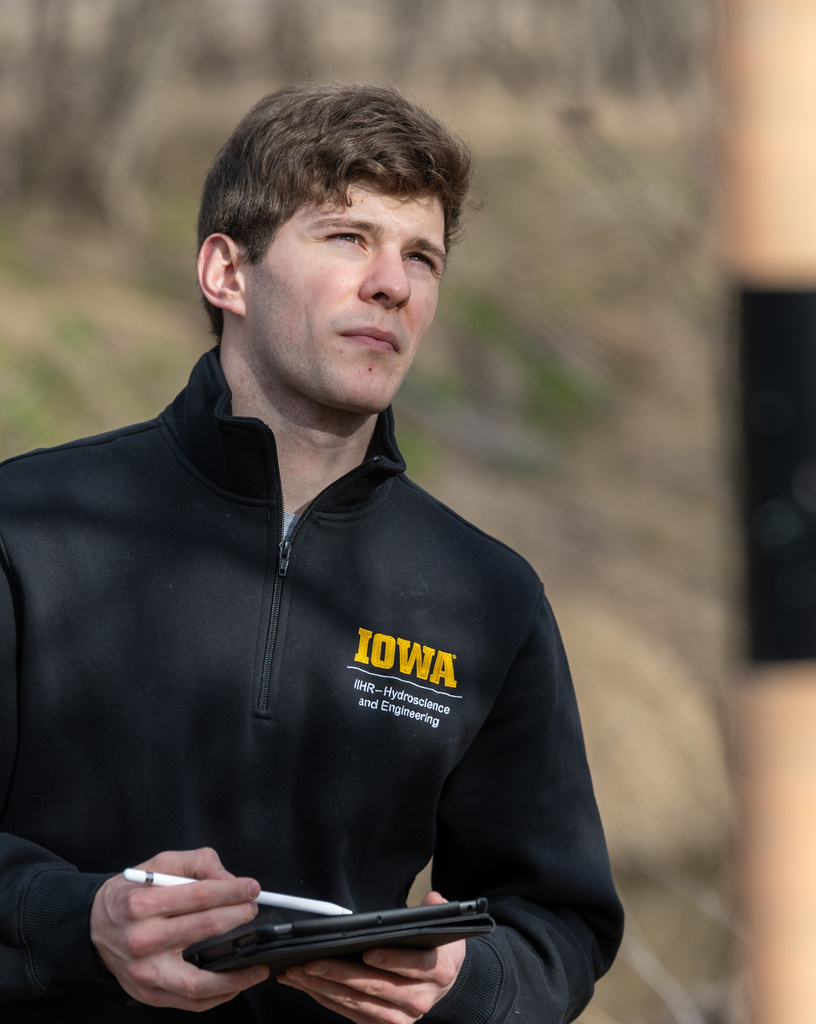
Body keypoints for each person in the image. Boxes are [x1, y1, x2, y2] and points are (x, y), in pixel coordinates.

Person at [0, 83, 623, 1022]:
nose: (393, 284)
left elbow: (562, 923)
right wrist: (74, 919)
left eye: (422, 257)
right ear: (227, 273)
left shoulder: (485, 596)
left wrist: (467, 983)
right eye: (347, 238)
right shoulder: (31, 526)